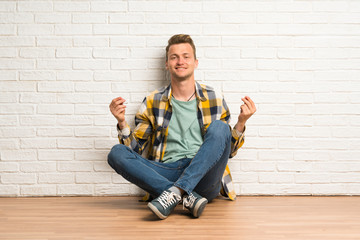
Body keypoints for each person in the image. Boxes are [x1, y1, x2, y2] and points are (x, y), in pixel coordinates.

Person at [108, 34, 256, 220]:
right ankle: (186, 197)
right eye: (174, 57)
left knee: (220, 127)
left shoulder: (215, 98)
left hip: (203, 175)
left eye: (186, 56)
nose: (180, 61)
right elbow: (135, 152)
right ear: (167, 64)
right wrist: (122, 122)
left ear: (195, 62)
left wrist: (241, 123)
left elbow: (228, 151)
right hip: (166, 172)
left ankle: (175, 193)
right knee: (116, 153)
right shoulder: (153, 101)